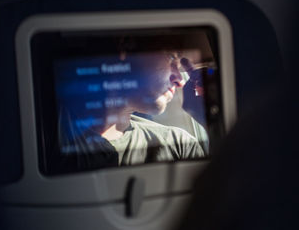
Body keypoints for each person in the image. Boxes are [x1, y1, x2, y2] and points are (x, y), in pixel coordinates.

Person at [58, 40, 208, 166]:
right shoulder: (48, 129)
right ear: (124, 51)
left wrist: (211, 116)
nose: (180, 80)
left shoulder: (180, 145)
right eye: (170, 57)